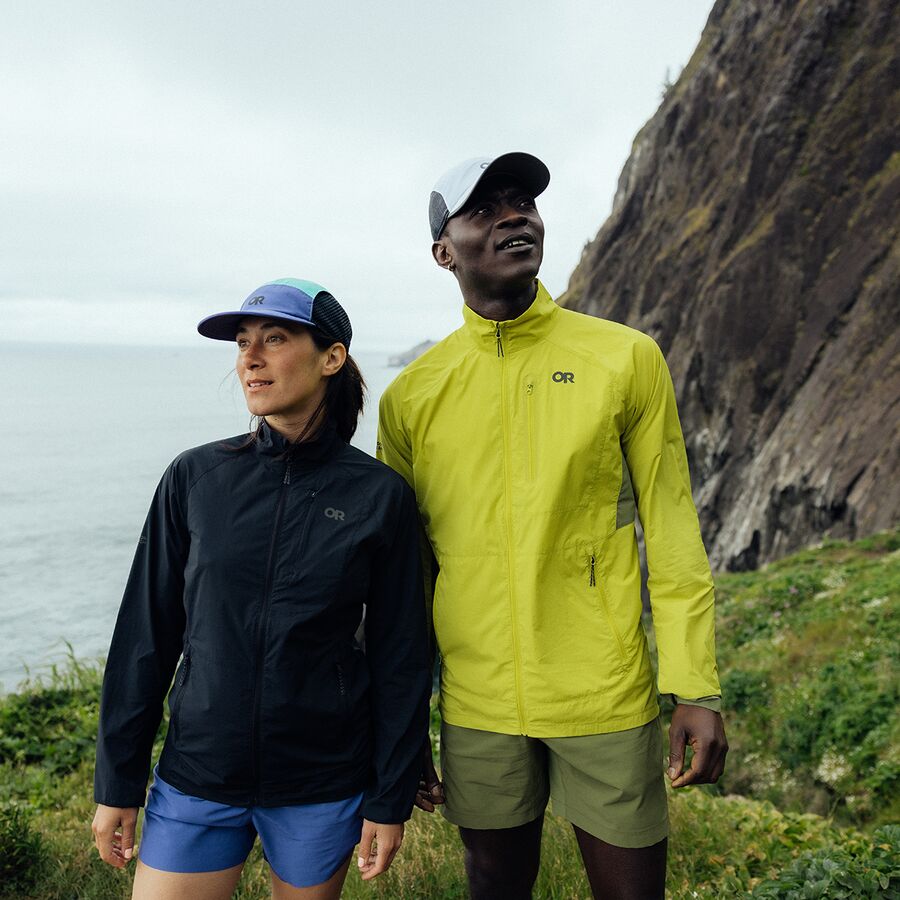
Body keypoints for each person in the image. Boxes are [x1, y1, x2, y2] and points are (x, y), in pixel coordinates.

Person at [377, 154, 728, 899]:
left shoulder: (625, 358)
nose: (514, 216)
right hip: (477, 704)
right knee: (494, 884)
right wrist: (401, 725)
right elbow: (404, 577)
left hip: (604, 692)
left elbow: (671, 528)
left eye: (523, 202)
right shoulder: (411, 397)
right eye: (484, 209)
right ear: (444, 251)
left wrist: (695, 688)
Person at [92, 278, 431, 900]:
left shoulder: (379, 496)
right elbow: (146, 636)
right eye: (243, 342)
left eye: (274, 339)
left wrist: (390, 795)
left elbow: (401, 656)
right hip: (198, 773)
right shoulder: (195, 477)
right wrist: (118, 781)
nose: (250, 357)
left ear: (332, 358)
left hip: (321, 780)